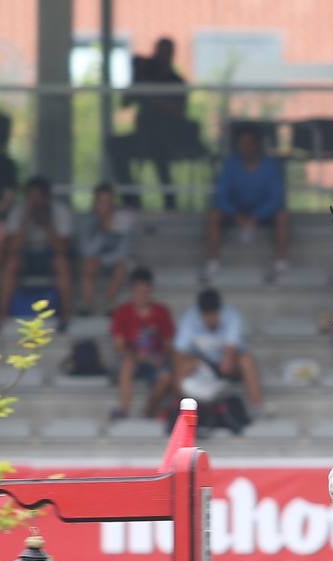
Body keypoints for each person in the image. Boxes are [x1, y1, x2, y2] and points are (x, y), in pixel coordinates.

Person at [109, 37, 192, 211]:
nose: (162, 57)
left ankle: (170, 202)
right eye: (159, 52)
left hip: (170, 139)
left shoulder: (176, 81)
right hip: (143, 136)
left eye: (166, 53)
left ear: (172, 55)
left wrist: (151, 96)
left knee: (158, 148)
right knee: (114, 145)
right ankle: (131, 199)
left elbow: (180, 110)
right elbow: (125, 103)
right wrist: (137, 79)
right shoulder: (145, 76)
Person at [204, 124, 289, 281]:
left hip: (263, 214)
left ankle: (280, 261)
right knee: (214, 214)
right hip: (235, 213)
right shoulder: (230, 164)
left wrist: (256, 216)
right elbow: (221, 195)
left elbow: (276, 198)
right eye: (241, 144)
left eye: (249, 143)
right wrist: (235, 215)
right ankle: (213, 261)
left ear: (257, 145)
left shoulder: (270, 165)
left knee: (282, 216)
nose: (245, 148)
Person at [0, 175, 73, 331]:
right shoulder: (18, 212)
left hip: (50, 256)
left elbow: (62, 249)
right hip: (26, 256)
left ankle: (66, 313)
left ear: (47, 198)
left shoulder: (61, 212)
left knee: (61, 263)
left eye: (38, 197)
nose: (34, 202)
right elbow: (12, 248)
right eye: (31, 197)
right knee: (11, 263)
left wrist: (46, 224)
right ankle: (2, 314)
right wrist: (25, 222)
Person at [174, 288, 263, 413]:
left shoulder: (232, 316)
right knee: (181, 366)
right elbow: (180, 352)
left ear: (219, 310)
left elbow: (229, 355)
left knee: (247, 361)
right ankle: (181, 409)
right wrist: (192, 365)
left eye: (214, 314)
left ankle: (257, 407)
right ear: (201, 313)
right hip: (202, 365)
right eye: (207, 315)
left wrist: (220, 372)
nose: (211, 319)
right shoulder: (190, 318)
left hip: (228, 365)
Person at [109, 266, 175, 420]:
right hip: (131, 359)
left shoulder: (161, 312)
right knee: (127, 363)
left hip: (154, 361)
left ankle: (148, 411)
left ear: (150, 290)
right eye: (138, 292)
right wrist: (139, 356)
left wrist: (160, 357)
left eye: (145, 291)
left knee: (166, 377)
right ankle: (124, 410)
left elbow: (168, 343)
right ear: (132, 291)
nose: (142, 296)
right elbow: (119, 346)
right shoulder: (122, 312)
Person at [79, 182, 135, 315]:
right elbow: (86, 251)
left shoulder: (123, 220)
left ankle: (109, 304)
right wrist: (103, 230)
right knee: (88, 264)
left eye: (108, 202)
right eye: (101, 201)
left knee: (123, 266)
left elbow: (124, 251)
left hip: (113, 262)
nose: (105, 206)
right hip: (92, 261)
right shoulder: (86, 220)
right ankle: (87, 305)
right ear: (95, 202)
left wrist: (103, 260)